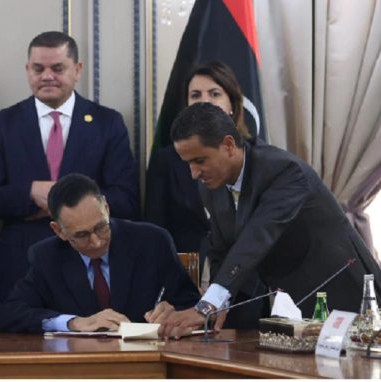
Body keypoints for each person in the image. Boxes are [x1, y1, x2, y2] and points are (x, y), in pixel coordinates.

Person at [159, 103, 381, 338]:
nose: (194, 173)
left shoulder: (283, 171)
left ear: (229, 145)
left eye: (200, 160)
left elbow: (257, 237)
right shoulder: (211, 186)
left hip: (345, 292)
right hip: (294, 302)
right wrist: (216, 307)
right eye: (188, 163)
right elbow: (222, 250)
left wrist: (208, 305)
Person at [0, 31, 139, 302]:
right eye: (38, 69)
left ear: (77, 70)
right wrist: (30, 193)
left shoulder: (107, 123)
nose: (47, 76)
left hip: (92, 266)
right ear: (27, 70)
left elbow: (126, 199)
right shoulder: (4, 123)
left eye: (57, 68)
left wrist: (73, 207)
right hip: (23, 270)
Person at [145, 62, 268, 328]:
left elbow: (261, 232)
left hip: (243, 285)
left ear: (232, 104)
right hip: (184, 281)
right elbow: (155, 227)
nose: (205, 101)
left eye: (214, 94)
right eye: (195, 95)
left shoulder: (258, 160)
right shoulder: (167, 161)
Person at [0, 174, 199, 333]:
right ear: (58, 231)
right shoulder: (46, 256)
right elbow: (9, 314)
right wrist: (73, 323)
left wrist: (174, 312)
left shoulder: (152, 242)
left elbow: (190, 303)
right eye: (82, 235)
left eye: (101, 227)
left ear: (107, 209)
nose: (96, 241)